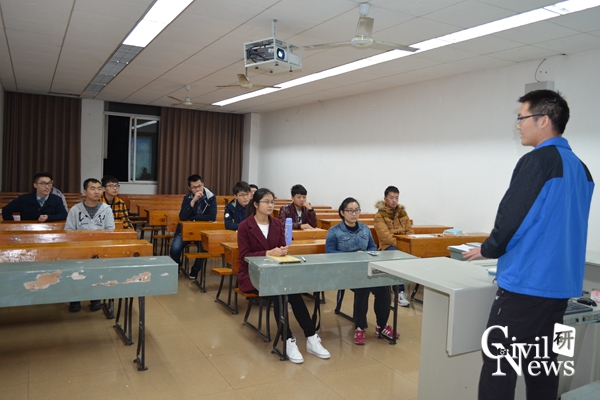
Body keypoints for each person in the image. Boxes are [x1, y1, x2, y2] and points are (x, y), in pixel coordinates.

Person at [463, 90, 594, 400]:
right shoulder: (582, 169)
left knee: (499, 363)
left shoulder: (536, 162)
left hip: (527, 285)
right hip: (560, 287)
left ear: (543, 120)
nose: (518, 125)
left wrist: (490, 247)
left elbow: (513, 217)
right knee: (543, 364)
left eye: (521, 118)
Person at [237, 188, 330, 364]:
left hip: (277, 272)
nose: (270, 205)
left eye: (272, 202)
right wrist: (268, 253)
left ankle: (311, 337)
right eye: (266, 201)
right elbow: (244, 256)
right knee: (280, 293)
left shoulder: (276, 224)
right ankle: (287, 340)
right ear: (255, 204)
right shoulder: (244, 226)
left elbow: (281, 246)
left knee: (293, 292)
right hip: (253, 274)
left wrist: (283, 250)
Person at [326, 197, 399, 345]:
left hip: (365, 269)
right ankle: (359, 327)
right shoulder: (334, 231)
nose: (354, 214)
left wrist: (367, 254)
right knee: (363, 288)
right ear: (342, 212)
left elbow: (372, 247)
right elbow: (330, 253)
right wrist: (352, 256)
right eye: (350, 211)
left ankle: (381, 326)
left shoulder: (365, 229)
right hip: (345, 271)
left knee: (383, 288)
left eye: (357, 210)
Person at [65, 178, 116, 312]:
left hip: (99, 248)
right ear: (85, 191)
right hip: (79, 248)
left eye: (99, 189)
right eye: (92, 189)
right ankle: (75, 300)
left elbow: (110, 230)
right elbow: (69, 230)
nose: (96, 192)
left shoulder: (106, 209)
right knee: (76, 271)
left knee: (96, 271)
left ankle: (95, 298)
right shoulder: (75, 209)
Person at [170, 174, 217, 279]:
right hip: (185, 230)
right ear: (189, 188)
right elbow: (183, 217)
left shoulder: (211, 197)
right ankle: (177, 267)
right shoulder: (187, 198)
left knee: (204, 249)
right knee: (175, 248)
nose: (198, 189)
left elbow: (212, 217)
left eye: (199, 186)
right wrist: (193, 201)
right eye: (194, 187)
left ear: (203, 184)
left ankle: (194, 271)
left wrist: (193, 218)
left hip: (201, 230)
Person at [373, 185, 413, 307]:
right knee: (397, 256)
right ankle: (399, 292)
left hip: (403, 246)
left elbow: (410, 231)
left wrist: (407, 244)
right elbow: (386, 236)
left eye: (396, 197)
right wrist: (403, 246)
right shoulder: (379, 215)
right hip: (387, 247)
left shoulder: (403, 213)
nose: (394, 200)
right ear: (385, 198)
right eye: (391, 197)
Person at [2, 172, 67, 222]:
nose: (47, 186)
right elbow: (6, 210)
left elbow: (64, 215)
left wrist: (49, 217)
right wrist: (13, 225)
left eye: (49, 183)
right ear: (35, 185)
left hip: (49, 231)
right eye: (43, 184)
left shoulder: (56, 199)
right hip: (27, 231)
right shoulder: (24, 199)